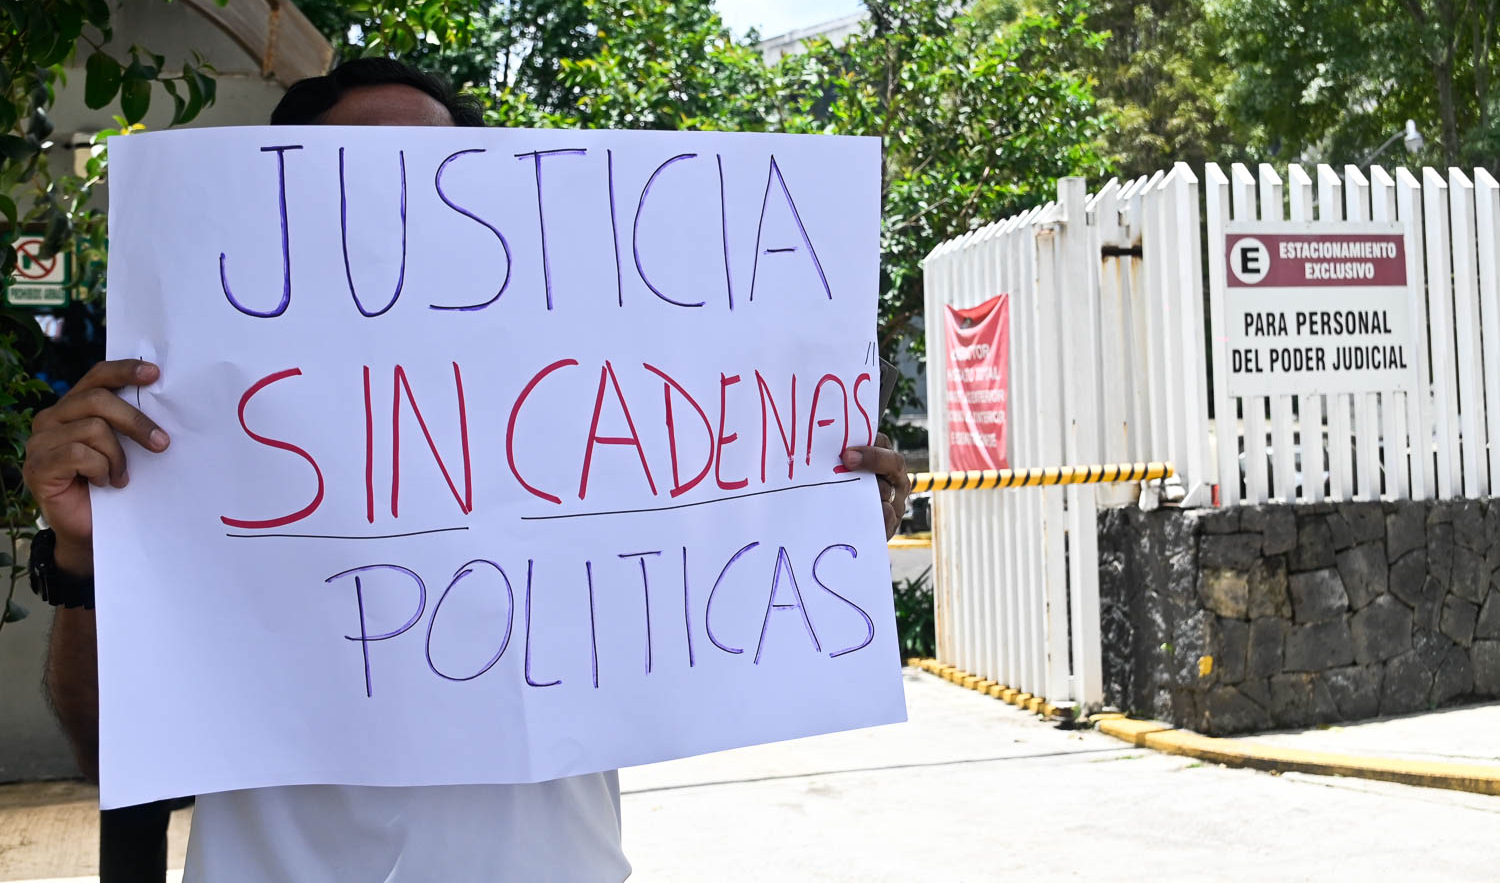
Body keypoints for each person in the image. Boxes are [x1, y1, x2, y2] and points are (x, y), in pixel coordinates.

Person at [22, 58, 913, 882]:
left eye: (440, 169)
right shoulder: (189, 439)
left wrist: (808, 519)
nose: (408, 201)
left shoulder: (583, 421)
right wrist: (87, 560)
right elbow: (109, 752)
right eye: (365, 171)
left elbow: (702, 608)